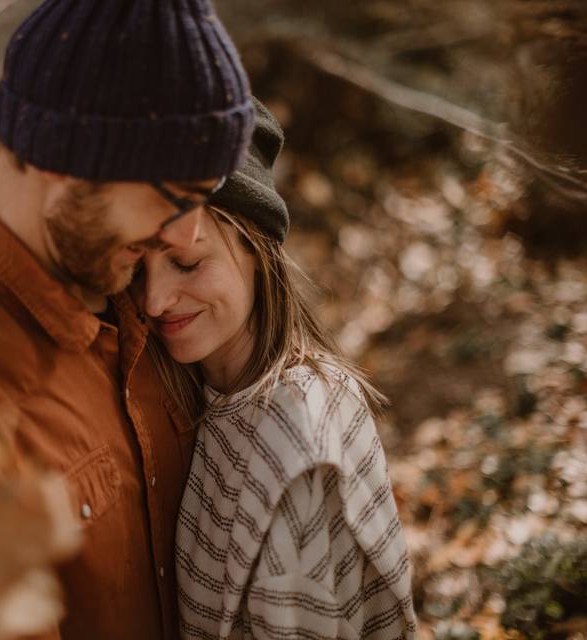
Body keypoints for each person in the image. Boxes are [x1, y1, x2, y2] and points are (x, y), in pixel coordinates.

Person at [0, 1, 254, 639]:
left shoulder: (139, 287)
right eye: (173, 198)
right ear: (65, 164)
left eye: (203, 198)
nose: (189, 234)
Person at [134, 99, 418, 639]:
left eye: (188, 263)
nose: (154, 301)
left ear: (255, 246)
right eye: (137, 268)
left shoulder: (296, 431)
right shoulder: (202, 390)